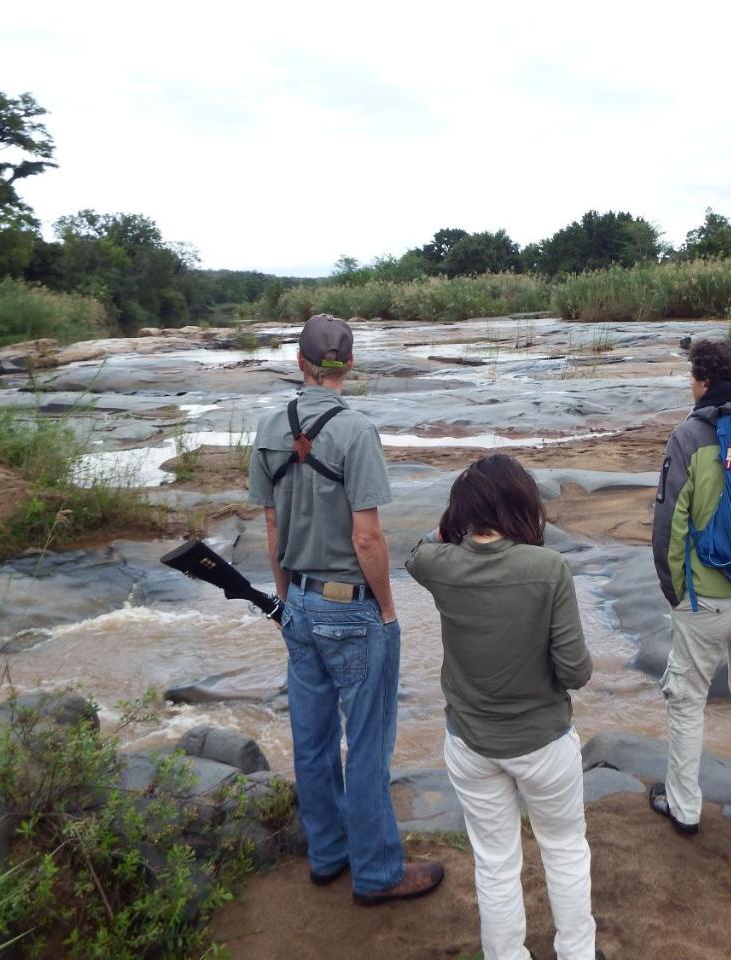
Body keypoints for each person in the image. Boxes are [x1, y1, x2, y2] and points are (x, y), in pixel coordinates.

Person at [247, 313, 444, 906]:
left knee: (310, 739)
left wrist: (285, 599)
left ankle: (327, 855)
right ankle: (379, 873)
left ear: (299, 363)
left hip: (300, 600)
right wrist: (386, 608)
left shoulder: (266, 425)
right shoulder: (357, 430)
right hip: (350, 606)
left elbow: (272, 523)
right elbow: (367, 538)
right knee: (368, 742)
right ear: (349, 364)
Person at [406, 454, 602, 960]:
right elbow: (576, 671)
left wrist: (450, 524)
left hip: (470, 744)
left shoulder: (439, 566)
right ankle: (577, 953)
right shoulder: (548, 568)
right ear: (524, 503)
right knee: (564, 852)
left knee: (494, 861)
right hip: (543, 742)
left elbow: (418, 549)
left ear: (463, 510)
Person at [649, 338, 731, 840]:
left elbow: (669, 524)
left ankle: (684, 809)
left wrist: (675, 591)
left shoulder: (689, 436)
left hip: (703, 601)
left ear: (703, 380)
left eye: (691, 376)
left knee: (687, 703)